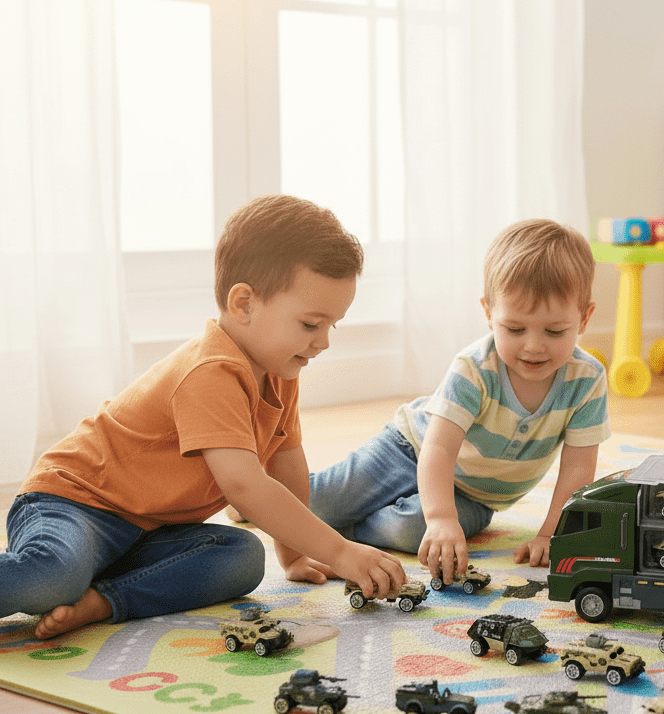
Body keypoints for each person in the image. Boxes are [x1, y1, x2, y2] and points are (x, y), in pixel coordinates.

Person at [1, 195, 406, 640]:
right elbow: (245, 486)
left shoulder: (278, 372)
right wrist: (341, 551)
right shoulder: (210, 371)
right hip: (76, 503)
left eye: (334, 325)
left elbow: (288, 464)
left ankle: (103, 600)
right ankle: (75, 585)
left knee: (241, 557)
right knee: (52, 577)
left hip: (146, 530)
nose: (324, 342)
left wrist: (291, 555)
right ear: (244, 304)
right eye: (311, 325)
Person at [309, 218, 610, 583]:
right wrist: (441, 519)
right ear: (488, 314)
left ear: (584, 318)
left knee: (411, 532)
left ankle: (346, 529)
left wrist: (550, 534)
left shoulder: (587, 380)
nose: (533, 345)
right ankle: (263, 496)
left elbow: (578, 469)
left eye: (554, 331)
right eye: (514, 329)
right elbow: (439, 449)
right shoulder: (475, 368)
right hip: (409, 449)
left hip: (476, 498)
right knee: (316, 504)